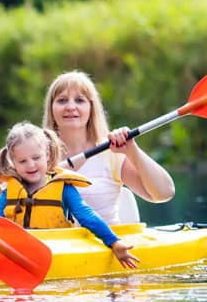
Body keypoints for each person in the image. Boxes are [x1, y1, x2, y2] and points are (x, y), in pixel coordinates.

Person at [0, 121, 140, 268]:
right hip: (21, 257)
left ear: (47, 154)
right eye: (22, 161)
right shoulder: (8, 193)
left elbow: (86, 216)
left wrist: (113, 241)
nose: (31, 165)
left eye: (36, 158)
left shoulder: (64, 188)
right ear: (13, 162)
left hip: (59, 254)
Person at [42, 71, 175, 224]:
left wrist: (132, 151)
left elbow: (164, 193)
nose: (71, 106)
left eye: (79, 100)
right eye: (62, 100)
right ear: (52, 108)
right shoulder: (35, 156)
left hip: (107, 244)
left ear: (91, 108)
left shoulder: (111, 154)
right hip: (55, 244)